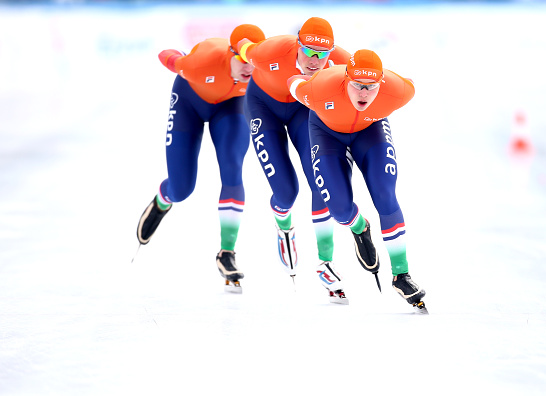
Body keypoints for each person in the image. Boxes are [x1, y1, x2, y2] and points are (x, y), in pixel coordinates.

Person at [287, 49, 428, 313]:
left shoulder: (398, 91)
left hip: (371, 132)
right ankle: (359, 227)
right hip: (326, 134)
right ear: (345, 79)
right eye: (357, 86)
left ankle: (402, 274)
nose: (364, 94)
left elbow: (408, 84)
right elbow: (293, 83)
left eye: (371, 88)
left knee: (385, 195)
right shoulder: (320, 88)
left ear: (382, 83)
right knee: (339, 209)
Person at [135, 24, 266, 293]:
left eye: (254, 62)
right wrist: (180, 56)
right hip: (189, 102)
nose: (249, 69)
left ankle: (226, 252)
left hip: (231, 108)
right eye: (243, 60)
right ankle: (164, 198)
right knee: (181, 189)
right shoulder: (200, 63)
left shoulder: (262, 71)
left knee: (232, 167)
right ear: (231, 53)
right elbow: (166, 56)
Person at [236, 17, 351, 303]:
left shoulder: (341, 61)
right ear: (296, 44)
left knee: (320, 183)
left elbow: (370, 81)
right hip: (263, 107)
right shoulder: (270, 51)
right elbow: (241, 43)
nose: (315, 60)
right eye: (308, 51)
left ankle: (326, 262)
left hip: (302, 109)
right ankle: (284, 225)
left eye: (322, 54)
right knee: (286, 192)